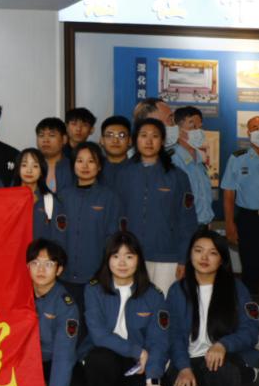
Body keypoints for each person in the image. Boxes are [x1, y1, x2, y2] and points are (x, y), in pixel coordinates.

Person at [165, 228, 259, 386]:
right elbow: (174, 335)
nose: (204, 257)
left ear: (222, 259)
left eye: (213, 252)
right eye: (198, 250)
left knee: (222, 370)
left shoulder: (237, 288)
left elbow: (251, 330)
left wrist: (223, 345)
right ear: (190, 254)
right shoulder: (177, 290)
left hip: (226, 359)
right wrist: (183, 368)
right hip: (191, 360)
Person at [83, 232, 168, 386]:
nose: (122, 263)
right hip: (108, 356)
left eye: (129, 256)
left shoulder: (153, 295)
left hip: (138, 363)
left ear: (138, 260)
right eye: (115, 256)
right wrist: (137, 350)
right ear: (107, 259)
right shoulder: (93, 289)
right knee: (99, 358)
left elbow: (159, 340)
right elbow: (99, 335)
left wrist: (153, 381)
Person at [114, 118, 197, 295]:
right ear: (135, 140)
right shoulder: (123, 174)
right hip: (129, 255)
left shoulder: (177, 176)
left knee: (162, 306)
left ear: (163, 141)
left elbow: (187, 221)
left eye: (155, 136)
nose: (149, 141)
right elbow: (116, 217)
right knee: (131, 305)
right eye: (143, 135)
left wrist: (183, 259)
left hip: (167, 257)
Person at [59, 142, 123, 305]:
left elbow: (113, 238)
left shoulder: (109, 198)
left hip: (96, 276)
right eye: (80, 161)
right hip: (64, 274)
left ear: (99, 166)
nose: (85, 166)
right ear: (73, 165)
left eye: (91, 161)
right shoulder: (62, 197)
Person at [26, 238, 79, 386]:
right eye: (35, 263)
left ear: (59, 270)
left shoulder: (66, 304)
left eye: (48, 264)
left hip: (50, 360)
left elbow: (64, 353)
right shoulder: (17, 293)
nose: (40, 270)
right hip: (23, 361)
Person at [221, 115, 259, 297]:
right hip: (249, 220)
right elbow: (229, 194)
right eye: (255, 128)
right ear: (248, 133)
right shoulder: (237, 158)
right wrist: (229, 224)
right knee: (250, 268)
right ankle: (249, 308)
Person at [11, 148, 66, 251]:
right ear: (18, 169)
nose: (29, 170)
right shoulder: (8, 198)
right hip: (13, 255)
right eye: (24, 165)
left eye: (35, 166)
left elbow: (59, 238)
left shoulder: (51, 201)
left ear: (41, 171)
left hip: (40, 258)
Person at [172, 106, 214, 227]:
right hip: (182, 227)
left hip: (203, 225)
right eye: (192, 126)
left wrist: (207, 221)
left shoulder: (200, 159)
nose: (198, 131)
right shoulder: (171, 159)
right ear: (178, 129)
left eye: (199, 127)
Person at [35, 118, 73, 193]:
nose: (45, 140)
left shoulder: (74, 167)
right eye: (41, 135)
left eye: (51, 135)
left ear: (64, 139)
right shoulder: (27, 167)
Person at [98, 115, 131, 187]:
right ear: (101, 140)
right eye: (109, 135)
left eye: (121, 135)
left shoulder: (139, 169)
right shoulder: (93, 168)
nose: (115, 141)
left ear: (130, 141)